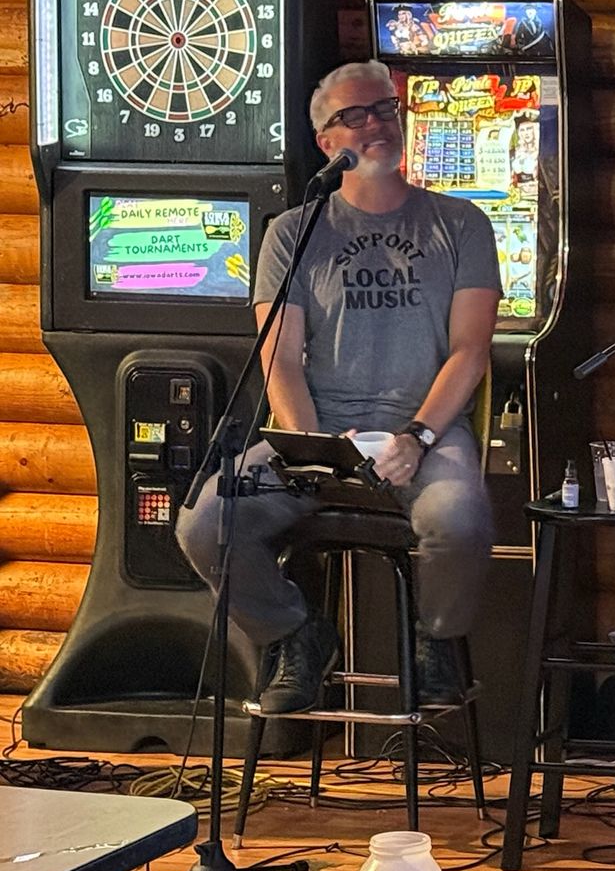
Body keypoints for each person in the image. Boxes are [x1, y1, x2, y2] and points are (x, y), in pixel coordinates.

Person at [177, 60, 501, 714]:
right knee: (207, 522)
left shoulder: (462, 223)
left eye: (384, 109)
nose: (375, 124)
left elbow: (471, 351)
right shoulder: (292, 233)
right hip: (318, 431)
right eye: (353, 116)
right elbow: (280, 359)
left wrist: (417, 436)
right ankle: (295, 634)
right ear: (326, 142)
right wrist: (312, 445)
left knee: (460, 521)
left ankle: (436, 641)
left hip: (424, 433)